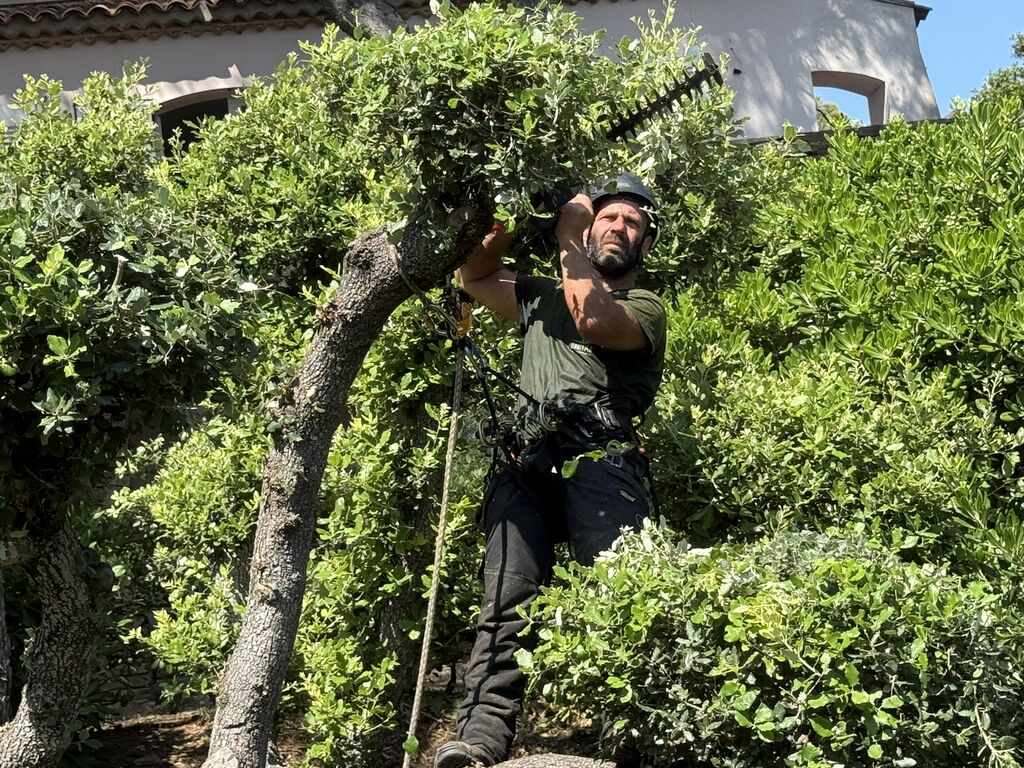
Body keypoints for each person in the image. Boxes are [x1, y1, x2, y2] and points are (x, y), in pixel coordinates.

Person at [434, 174, 667, 768]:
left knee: (622, 596)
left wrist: (567, 234)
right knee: (505, 598)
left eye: (631, 224)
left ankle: (635, 737)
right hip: (525, 459)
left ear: (644, 243)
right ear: (594, 226)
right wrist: (523, 207)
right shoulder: (540, 295)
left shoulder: (644, 308)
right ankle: (481, 735)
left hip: (602, 458)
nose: (618, 227)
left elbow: (593, 320)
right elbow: (476, 276)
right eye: (607, 218)